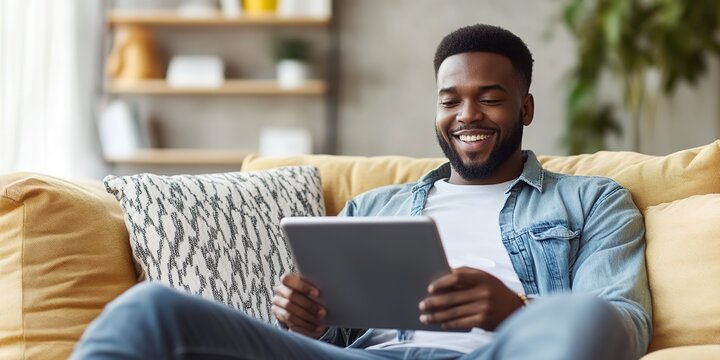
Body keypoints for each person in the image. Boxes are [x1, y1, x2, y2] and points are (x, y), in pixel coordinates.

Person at [71, 24, 651, 360]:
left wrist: (514, 312)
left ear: (525, 106)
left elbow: (623, 322)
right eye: (450, 100)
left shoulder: (592, 201)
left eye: (490, 97)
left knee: (586, 319)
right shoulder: (375, 207)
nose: (466, 114)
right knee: (149, 310)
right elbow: (336, 333)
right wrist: (306, 321)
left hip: (499, 355)